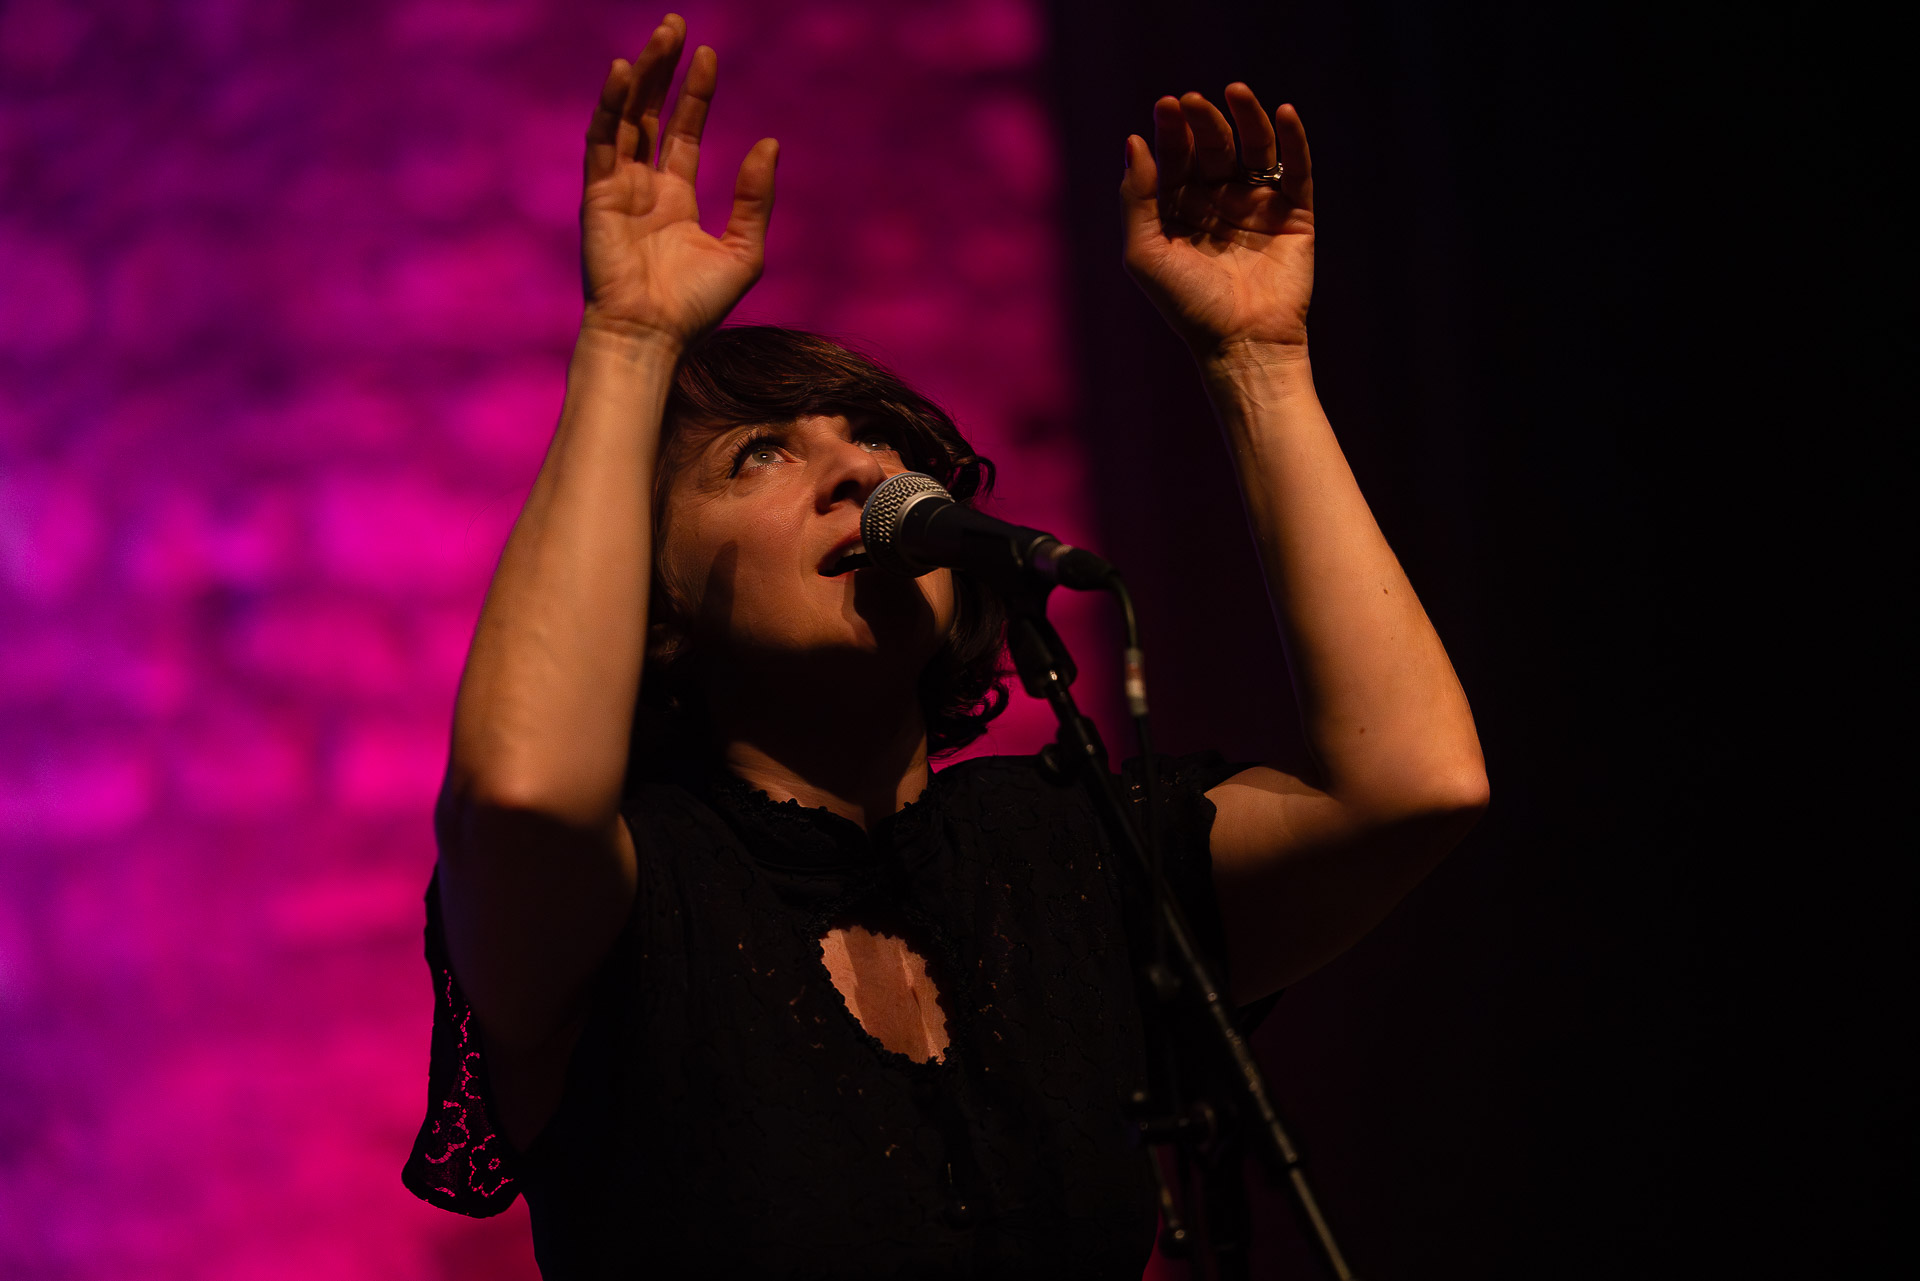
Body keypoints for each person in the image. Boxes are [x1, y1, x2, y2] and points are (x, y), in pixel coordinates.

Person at [403, 13, 1488, 1278]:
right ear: (653, 604)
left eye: (880, 439)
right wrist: (630, 345)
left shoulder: (1067, 856)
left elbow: (1412, 784)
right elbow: (522, 792)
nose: (860, 470)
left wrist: (1260, 363)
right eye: (761, 454)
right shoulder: (631, 895)